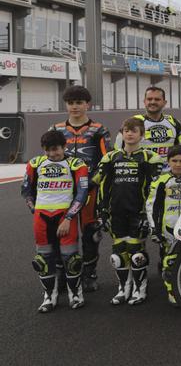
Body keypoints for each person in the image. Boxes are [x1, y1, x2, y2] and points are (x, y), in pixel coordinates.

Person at [94, 118, 164, 305]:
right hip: (115, 212)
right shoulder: (110, 157)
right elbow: (100, 184)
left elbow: (155, 188)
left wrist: (149, 215)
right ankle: (123, 288)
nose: (130, 133)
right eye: (126, 130)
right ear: (122, 133)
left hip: (138, 213)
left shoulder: (151, 158)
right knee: (117, 254)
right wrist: (102, 211)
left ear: (142, 134)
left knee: (136, 253)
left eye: (134, 130)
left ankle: (140, 289)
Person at [49, 85, 111, 292]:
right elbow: (46, 160)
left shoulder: (99, 130)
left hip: (91, 191)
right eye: (71, 103)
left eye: (79, 102)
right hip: (61, 191)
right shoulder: (56, 130)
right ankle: (63, 272)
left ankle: (89, 273)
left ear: (87, 105)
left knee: (91, 234)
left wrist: (93, 182)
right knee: (60, 232)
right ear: (66, 105)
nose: (74, 107)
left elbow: (107, 161)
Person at [22, 131, 90, 312]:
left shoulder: (76, 164)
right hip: (41, 218)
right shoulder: (35, 164)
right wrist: (34, 210)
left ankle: (75, 294)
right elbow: (26, 190)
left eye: (56, 149)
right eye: (48, 150)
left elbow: (82, 194)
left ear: (64, 147)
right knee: (43, 260)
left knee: (72, 259)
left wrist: (68, 217)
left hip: (65, 216)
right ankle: (49, 297)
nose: (52, 154)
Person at [145, 145, 181, 305]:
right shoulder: (161, 181)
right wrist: (154, 229)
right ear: (168, 161)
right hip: (167, 229)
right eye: (174, 160)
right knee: (169, 261)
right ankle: (172, 290)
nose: (178, 164)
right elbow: (152, 206)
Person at [117, 87, 181, 164]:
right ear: (144, 102)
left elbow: (180, 150)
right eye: (149, 99)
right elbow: (117, 151)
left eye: (157, 99)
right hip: (141, 173)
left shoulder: (174, 122)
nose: (153, 102)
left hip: (166, 174)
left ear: (164, 102)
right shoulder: (133, 122)